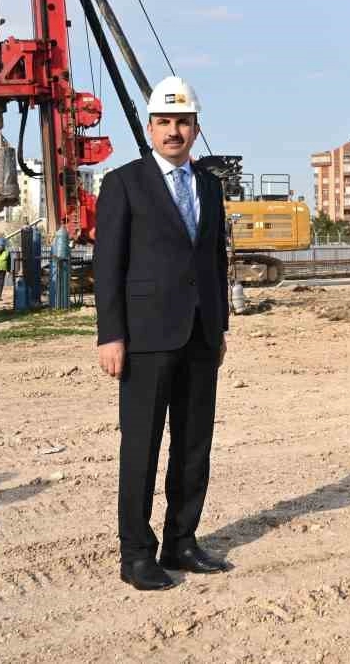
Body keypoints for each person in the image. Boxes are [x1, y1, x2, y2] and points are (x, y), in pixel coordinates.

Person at [95, 75, 232, 593]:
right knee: (142, 448)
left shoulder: (209, 187)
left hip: (200, 335)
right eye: (164, 121)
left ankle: (181, 541)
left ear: (196, 127)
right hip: (146, 338)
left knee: (194, 445)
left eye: (183, 122)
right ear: (150, 127)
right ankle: (136, 554)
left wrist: (220, 326)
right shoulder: (124, 184)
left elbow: (214, 261)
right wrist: (111, 334)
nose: (174, 131)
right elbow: (108, 266)